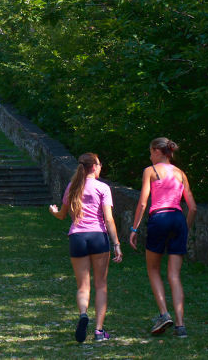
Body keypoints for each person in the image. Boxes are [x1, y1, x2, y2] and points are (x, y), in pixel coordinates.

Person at [49, 152, 123, 343]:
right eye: (99, 164)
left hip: (77, 237)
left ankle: (83, 314)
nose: (101, 167)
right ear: (94, 167)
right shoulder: (103, 188)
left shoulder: (72, 187)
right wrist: (116, 244)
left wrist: (54, 211)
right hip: (98, 237)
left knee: (83, 286)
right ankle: (99, 331)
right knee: (101, 285)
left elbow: (62, 215)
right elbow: (108, 219)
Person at [128, 137, 197, 338]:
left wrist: (134, 229)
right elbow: (192, 207)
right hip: (177, 219)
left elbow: (142, 203)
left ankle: (164, 314)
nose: (150, 156)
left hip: (159, 218)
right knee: (174, 275)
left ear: (158, 151)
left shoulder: (151, 171)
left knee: (153, 268)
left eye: (150, 152)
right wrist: (186, 228)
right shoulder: (181, 174)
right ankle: (181, 326)